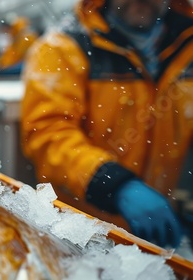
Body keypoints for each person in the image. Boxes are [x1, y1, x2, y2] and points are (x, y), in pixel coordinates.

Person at [20, 0, 192, 248]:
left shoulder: (188, 49)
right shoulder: (63, 47)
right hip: (80, 235)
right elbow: (48, 133)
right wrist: (114, 184)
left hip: (159, 234)